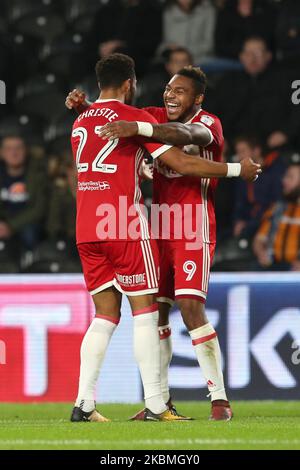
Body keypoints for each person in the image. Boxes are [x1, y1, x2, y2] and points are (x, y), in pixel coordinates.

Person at [66, 64, 260, 421]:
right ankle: (159, 401)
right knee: (156, 314)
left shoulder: (209, 122)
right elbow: (122, 120)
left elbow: (187, 140)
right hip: (156, 226)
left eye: (181, 91)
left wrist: (129, 124)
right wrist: (88, 108)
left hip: (191, 225)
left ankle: (218, 399)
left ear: (197, 98)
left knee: (189, 306)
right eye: (169, 89)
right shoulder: (149, 115)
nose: (171, 95)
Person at [211, 36, 292, 150]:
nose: (252, 59)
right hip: (233, 143)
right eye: (248, 54)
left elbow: (296, 111)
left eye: (257, 54)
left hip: (273, 144)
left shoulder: (284, 80)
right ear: (241, 57)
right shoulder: (228, 81)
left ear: (268, 56)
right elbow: (212, 113)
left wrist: (286, 133)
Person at [232, 136, 286, 239]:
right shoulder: (242, 174)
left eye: (243, 151)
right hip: (246, 224)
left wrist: (249, 224)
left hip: (267, 224)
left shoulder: (274, 171)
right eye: (238, 152)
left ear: (256, 151)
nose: (239, 156)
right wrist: (238, 221)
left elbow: (275, 203)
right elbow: (239, 203)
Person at [0, 135, 47, 251]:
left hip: (27, 223)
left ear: (25, 151)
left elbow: (39, 209)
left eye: (18, 148)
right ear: (1, 153)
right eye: (9, 149)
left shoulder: (39, 175)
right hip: (3, 223)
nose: (14, 153)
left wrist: (11, 226)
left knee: (30, 233)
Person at [253, 163, 300, 271]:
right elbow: (259, 239)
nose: (284, 181)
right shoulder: (276, 208)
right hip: (271, 266)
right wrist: (261, 253)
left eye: (290, 177)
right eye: (285, 176)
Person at [161, 0, 216, 64]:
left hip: (200, 59)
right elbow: (164, 43)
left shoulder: (208, 10)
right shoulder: (168, 11)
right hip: (172, 60)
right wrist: (169, 50)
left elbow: (209, 45)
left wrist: (185, 52)